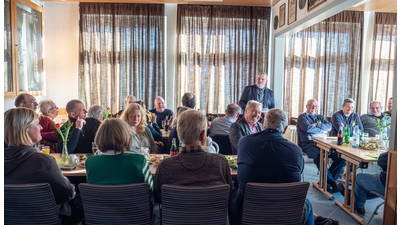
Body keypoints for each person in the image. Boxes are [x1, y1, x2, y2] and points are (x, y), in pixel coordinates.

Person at [232, 108, 338, 225]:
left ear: (263, 123)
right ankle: (315, 220)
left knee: (235, 192)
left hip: (249, 208)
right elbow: (298, 177)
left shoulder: (244, 142)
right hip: (287, 211)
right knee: (306, 202)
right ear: (285, 128)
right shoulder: (295, 151)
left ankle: (316, 219)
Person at [4, 108, 80, 223]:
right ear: (25, 129)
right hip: (46, 219)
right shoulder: (42, 161)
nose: (41, 127)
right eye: (37, 123)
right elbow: (65, 194)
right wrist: (71, 188)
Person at [154, 110, 232, 204]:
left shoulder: (165, 166)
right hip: (212, 217)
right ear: (203, 135)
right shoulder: (221, 163)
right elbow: (229, 195)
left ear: (179, 134)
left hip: (175, 218)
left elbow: (158, 198)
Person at [85, 118, 153, 188]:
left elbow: (91, 187)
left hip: (100, 198)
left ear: (99, 136)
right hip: (133, 198)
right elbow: (150, 188)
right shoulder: (139, 160)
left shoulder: (90, 161)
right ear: (126, 136)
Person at [297, 99, 344, 193]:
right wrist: (322, 130)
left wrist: (317, 125)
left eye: (315, 106)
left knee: (341, 156)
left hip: (324, 143)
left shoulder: (320, 117)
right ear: (306, 106)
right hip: (308, 144)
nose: (313, 108)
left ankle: (325, 181)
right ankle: (331, 181)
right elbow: (307, 128)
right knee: (318, 155)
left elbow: (329, 127)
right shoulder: (302, 117)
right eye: (311, 105)